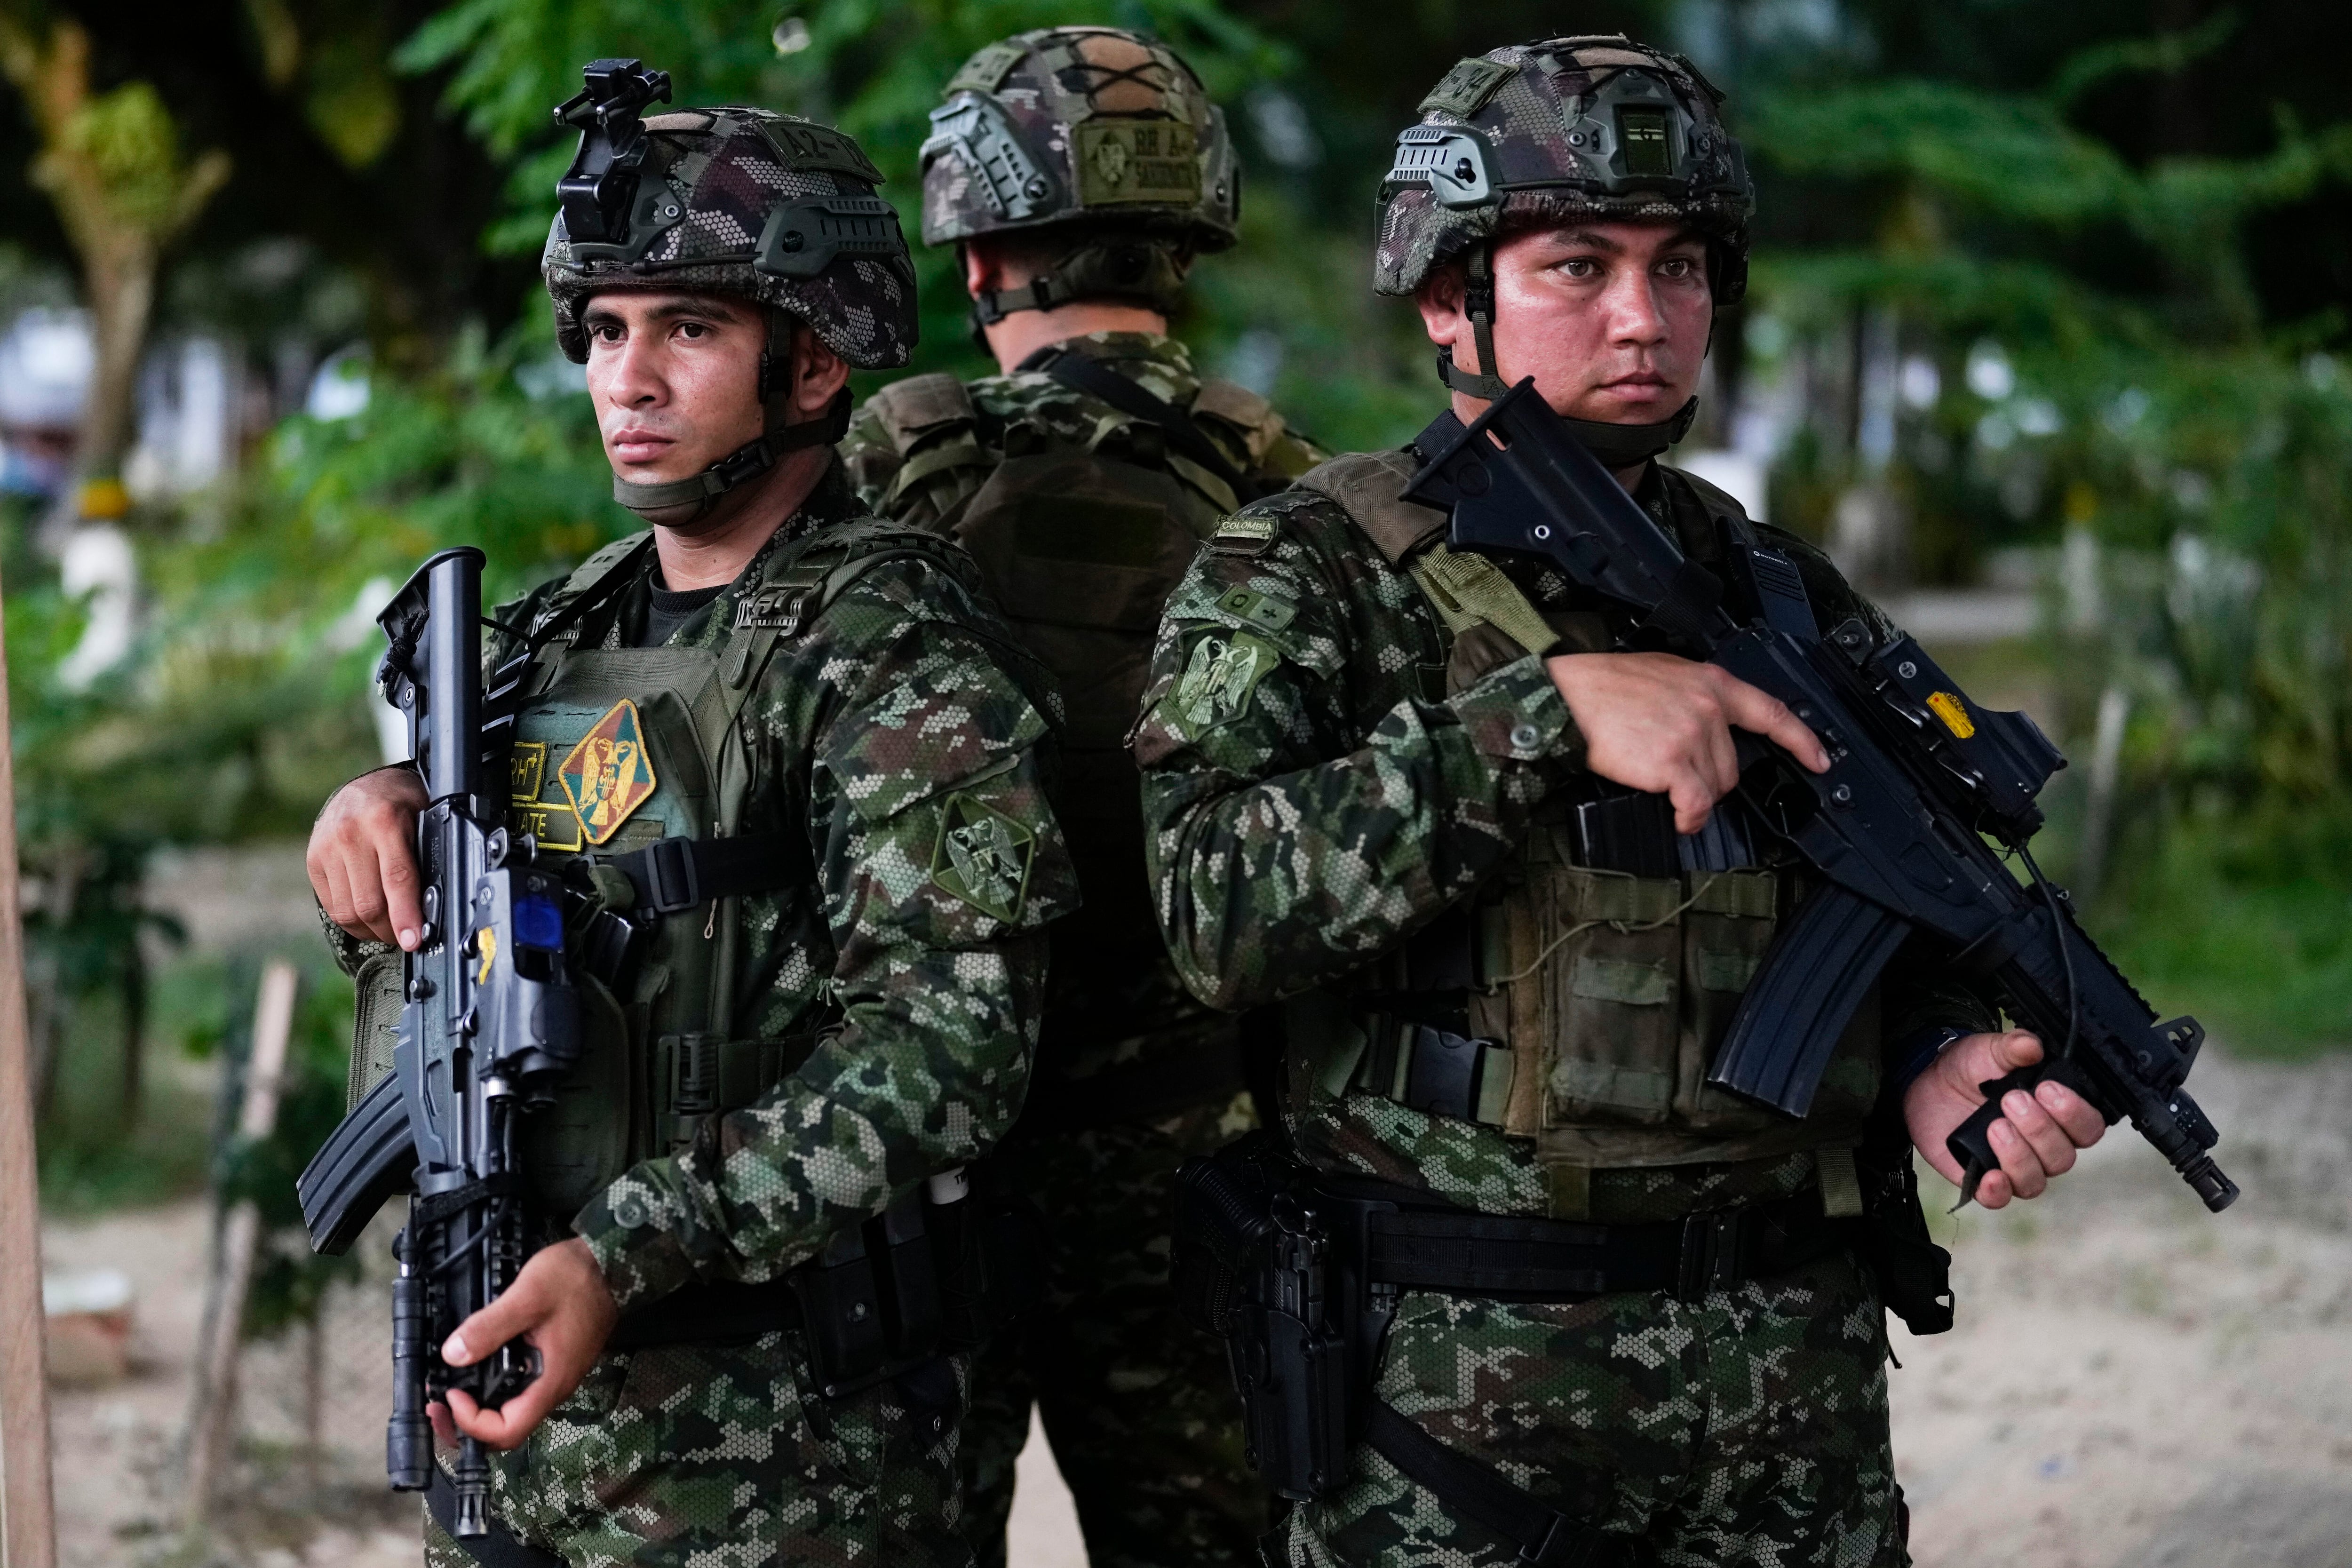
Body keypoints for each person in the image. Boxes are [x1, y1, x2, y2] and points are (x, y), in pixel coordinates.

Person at [1135, 36, 2106, 1567]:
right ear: (1450, 295)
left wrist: (1929, 1051)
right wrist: (1538, 721)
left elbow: (1876, 884)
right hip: (1464, 1385)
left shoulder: (1769, 579)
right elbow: (1207, 914)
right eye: (1577, 264)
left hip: (1789, 1372)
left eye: (1681, 270)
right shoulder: (1308, 573)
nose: (1642, 319)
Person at [304, 71, 1074, 1568]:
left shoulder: (896, 651)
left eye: (691, 329)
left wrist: (625, 1253)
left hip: (783, 1447)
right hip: (524, 1403)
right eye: (606, 330)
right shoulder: (557, 625)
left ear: (814, 365)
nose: (628, 380)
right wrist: (379, 806)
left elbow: (947, 1057)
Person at [838, 27, 1323, 1568]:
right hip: (1199, 1153)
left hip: (916, 1156)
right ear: (1188, 247)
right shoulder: (1291, 492)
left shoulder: (880, 469)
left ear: (976, 258)